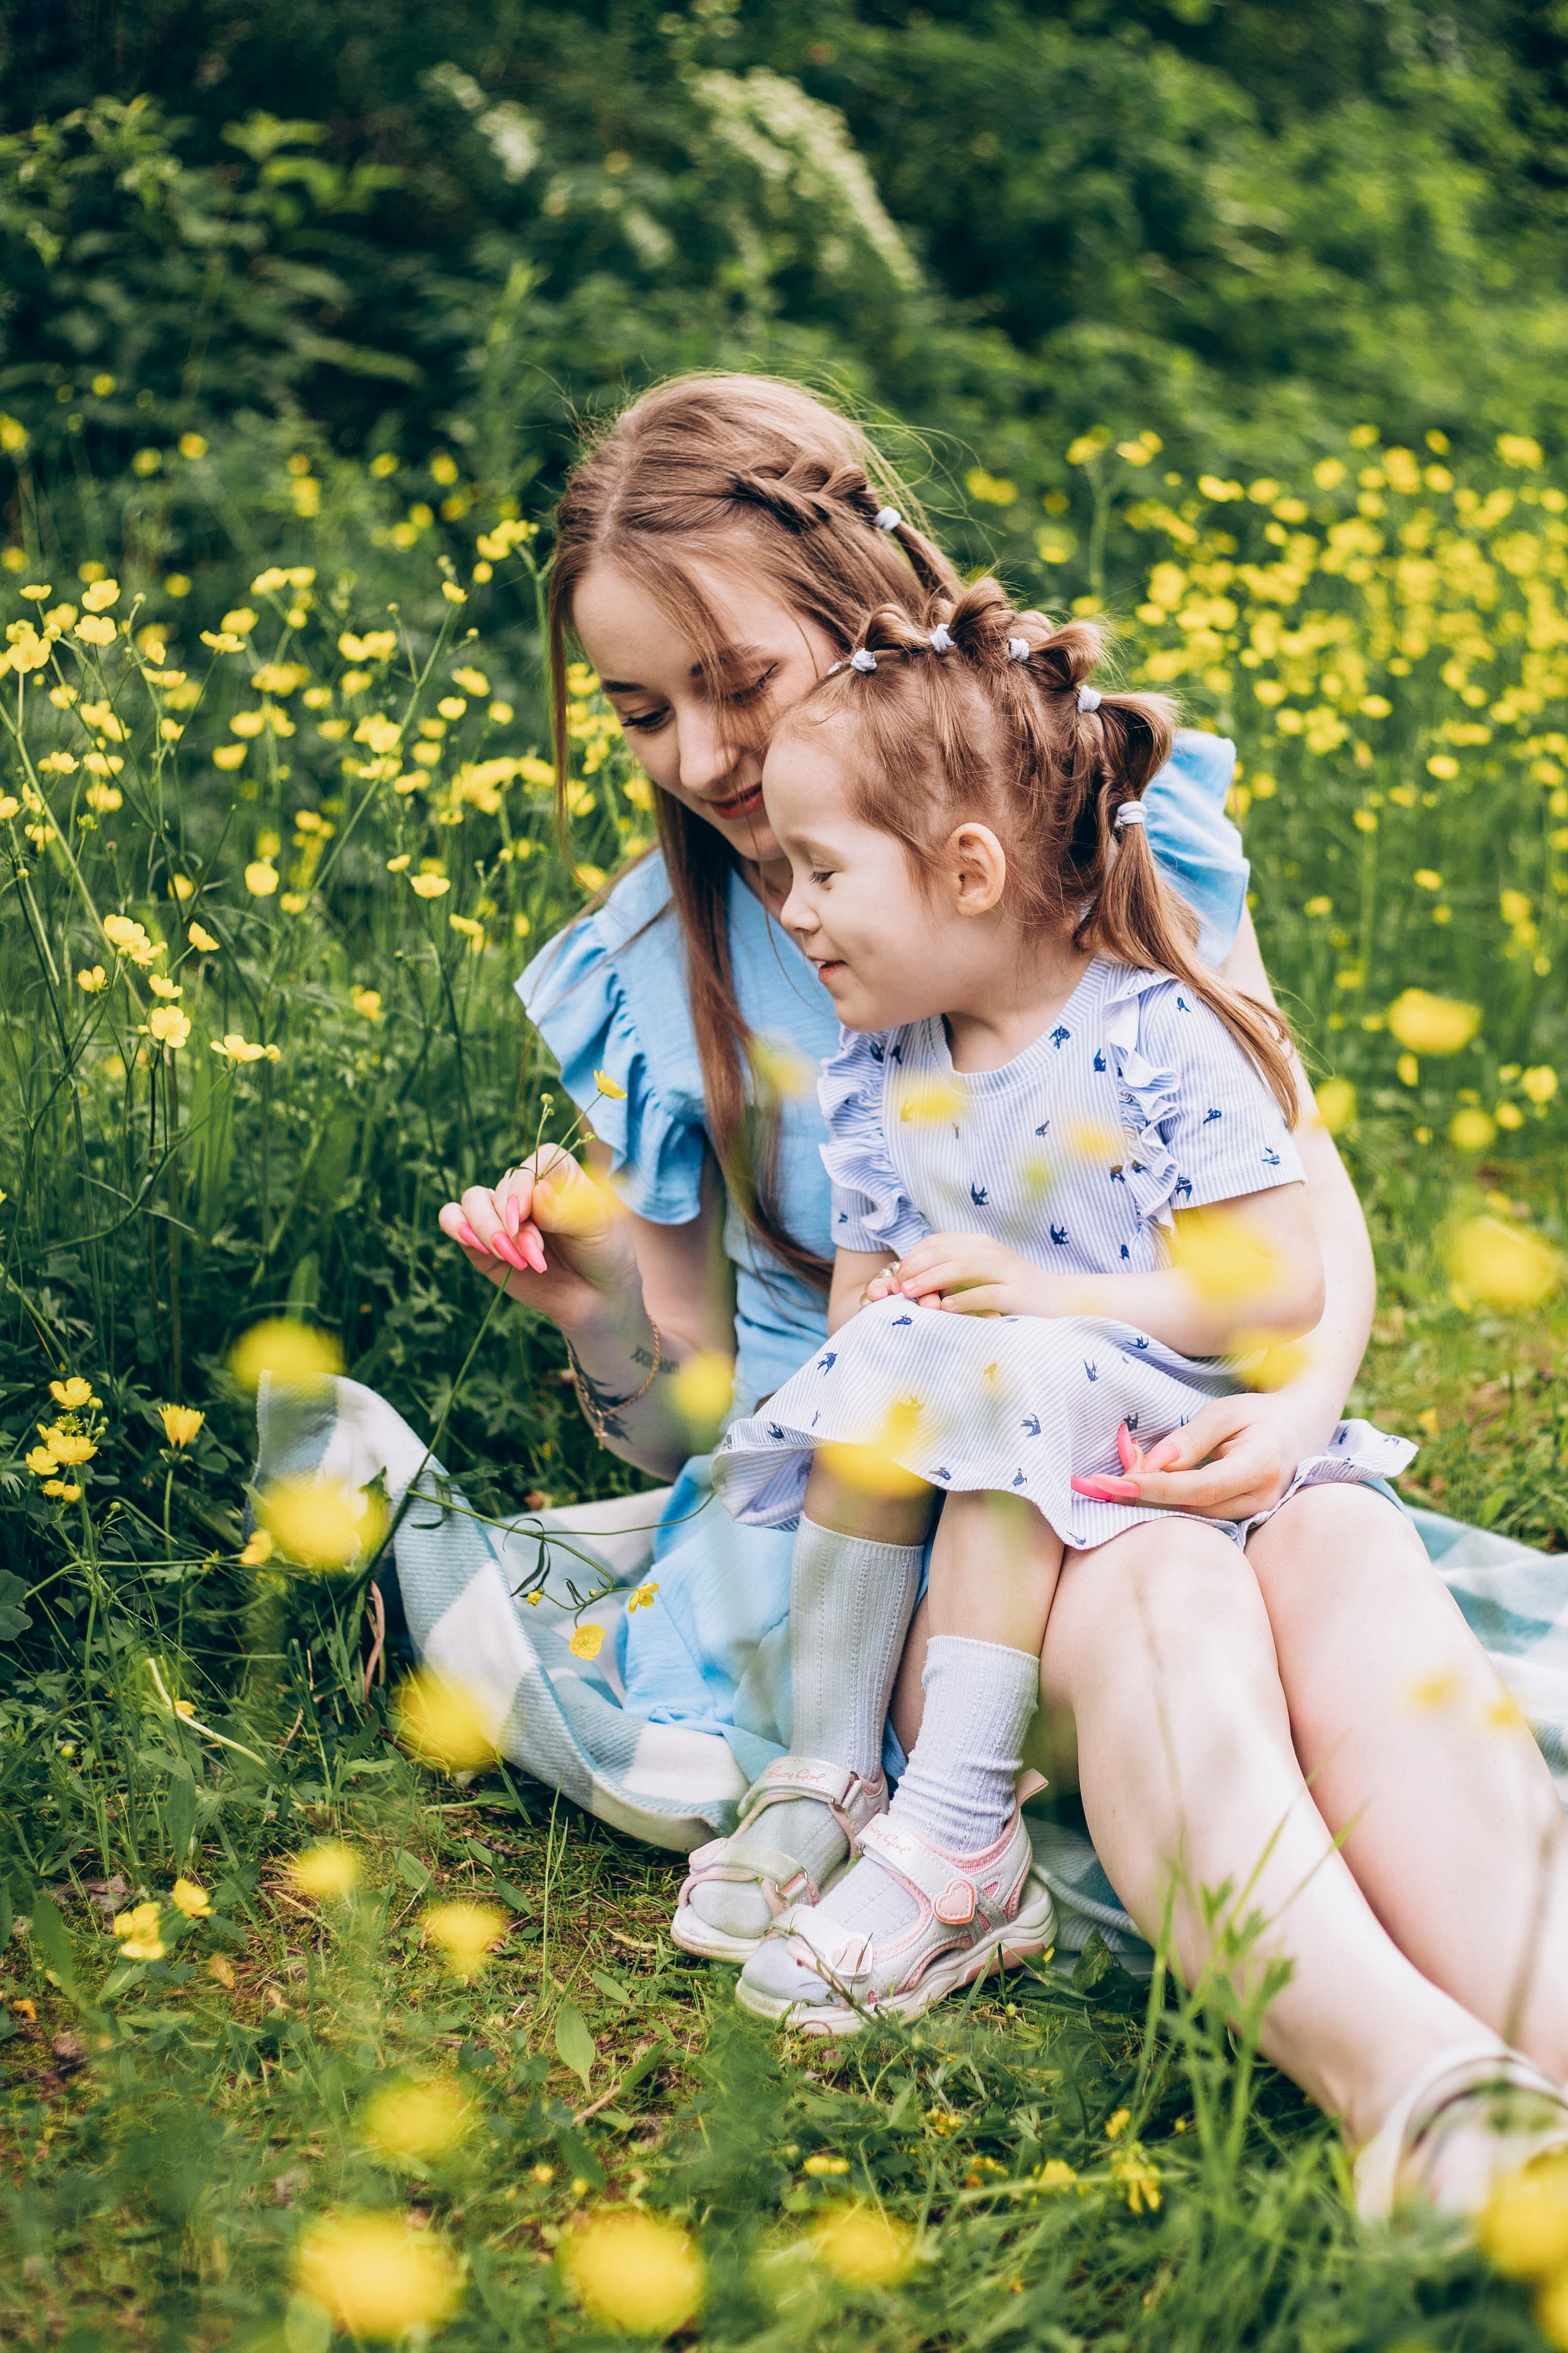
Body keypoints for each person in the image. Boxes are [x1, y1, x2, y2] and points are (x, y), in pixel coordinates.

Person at [438, 373, 1568, 2215]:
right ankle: (1427, 2096)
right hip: (892, 1532)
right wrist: (588, 1316)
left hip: (1164, 1396)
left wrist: (1295, 1412)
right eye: (645, 711)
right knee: (1152, 1580)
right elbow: (700, 1420)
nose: (704, 759)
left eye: (739, 682)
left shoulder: (1082, 831)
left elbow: (1299, 1203)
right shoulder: (657, 977)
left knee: (1344, 1557)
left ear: (863, 599)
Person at [704, 580, 1411, 2032]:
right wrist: (865, 1373)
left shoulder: (1157, 1034)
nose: (793, 913)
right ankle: (831, 1767)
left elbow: (1274, 1283)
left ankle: (959, 1834)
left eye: (822, 873)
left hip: (1166, 1407)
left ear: (967, 871)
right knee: (903, 1364)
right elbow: (873, 1269)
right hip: (1009, 1389)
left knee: (985, 1373)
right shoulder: (887, 1060)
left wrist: (1046, 1299)